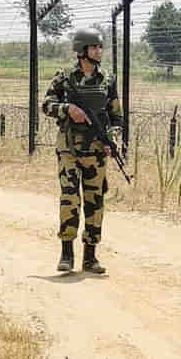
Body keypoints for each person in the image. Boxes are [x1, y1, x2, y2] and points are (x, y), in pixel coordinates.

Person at [42, 27, 123, 274]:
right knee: (69, 197)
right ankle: (66, 253)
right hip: (68, 148)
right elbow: (46, 105)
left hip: (96, 150)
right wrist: (68, 110)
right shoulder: (64, 78)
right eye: (94, 47)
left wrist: (113, 140)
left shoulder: (107, 79)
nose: (99, 51)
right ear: (81, 51)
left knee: (94, 201)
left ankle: (90, 256)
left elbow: (117, 116)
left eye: (100, 47)